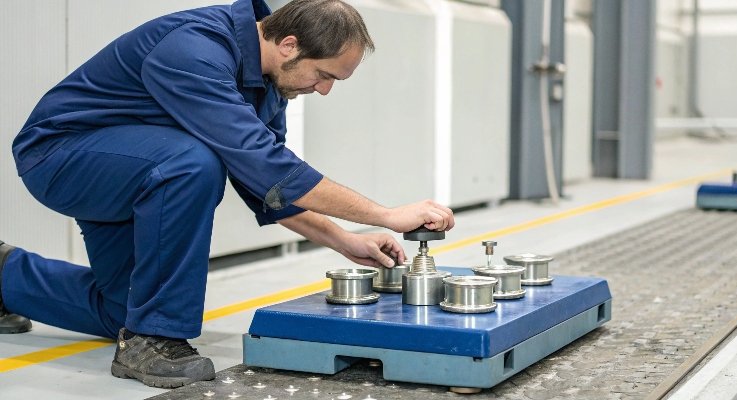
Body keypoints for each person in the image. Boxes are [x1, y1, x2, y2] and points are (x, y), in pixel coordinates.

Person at [0, 0, 454, 389]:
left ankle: (6, 276)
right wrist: (386, 214)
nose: (325, 90)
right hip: (60, 157)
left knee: (124, 311)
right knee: (190, 163)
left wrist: (350, 240)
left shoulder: (267, 85)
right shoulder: (193, 49)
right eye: (323, 75)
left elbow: (270, 187)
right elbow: (269, 166)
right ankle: (152, 341)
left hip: (132, 172)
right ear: (290, 45)